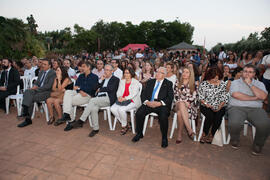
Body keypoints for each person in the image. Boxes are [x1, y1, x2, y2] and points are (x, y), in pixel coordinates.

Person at [64, 64, 119, 137]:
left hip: (108, 98)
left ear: (112, 71)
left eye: (108, 70)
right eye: (105, 69)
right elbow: (94, 88)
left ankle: (81, 120)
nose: (105, 71)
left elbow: (111, 89)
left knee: (92, 100)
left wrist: (100, 89)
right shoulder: (103, 79)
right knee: (93, 108)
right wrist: (100, 80)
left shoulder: (115, 79)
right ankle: (95, 129)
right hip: (98, 98)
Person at [228, 64, 270, 155]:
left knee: (265, 124)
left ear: (254, 74)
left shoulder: (260, 84)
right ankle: (235, 139)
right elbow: (236, 95)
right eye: (245, 71)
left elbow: (263, 96)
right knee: (235, 123)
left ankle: (258, 145)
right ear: (242, 72)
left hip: (255, 109)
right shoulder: (235, 82)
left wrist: (250, 84)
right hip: (237, 107)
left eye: (250, 72)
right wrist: (254, 98)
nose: (247, 74)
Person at [131, 67, 174, 148]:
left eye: (160, 72)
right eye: (157, 72)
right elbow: (143, 94)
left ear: (164, 75)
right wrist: (147, 102)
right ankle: (139, 133)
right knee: (139, 113)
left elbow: (170, 97)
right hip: (149, 102)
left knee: (163, 116)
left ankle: (164, 138)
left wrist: (160, 103)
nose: (157, 74)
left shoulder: (168, 83)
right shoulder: (150, 82)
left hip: (161, 104)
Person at [54, 61, 98, 126]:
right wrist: (80, 90)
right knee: (68, 91)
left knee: (68, 101)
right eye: (81, 66)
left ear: (89, 67)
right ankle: (67, 115)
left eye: (84, 67)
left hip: (88, 95)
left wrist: (80, 89)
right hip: (79, 93)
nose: (82, 68)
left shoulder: (94, 77)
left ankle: (70, 119)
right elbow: (75, 86)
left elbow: (91, 88)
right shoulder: (81, 76)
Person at [17, 59, 56, 127]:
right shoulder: (41, 72)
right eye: (42, 64)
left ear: (49, 66)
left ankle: (26, 117)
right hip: (38, 90)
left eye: (45, 64)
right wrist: (35, 86)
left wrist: (37, 89)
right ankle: (26, 112)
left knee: (30, 98)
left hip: (47, 92)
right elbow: (37, 82)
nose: (42, 65)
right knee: (27, 91)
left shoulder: (52, 73)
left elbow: (48, 86)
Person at [198, 66, 229, 143]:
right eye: (214, 78)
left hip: (220, 105)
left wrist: (219, 107)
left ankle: (212, 134)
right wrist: (206, 104)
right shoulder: (204, 84)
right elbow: (200, 97)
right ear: (209, 76)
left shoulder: (222, 84)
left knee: (218, 116)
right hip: (206, 105)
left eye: (217, 78)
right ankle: (205, 133)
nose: (215, 80)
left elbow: (225, 97)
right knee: (210, 116)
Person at [111, 67, 142, 135]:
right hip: (122, 99)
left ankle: (124, 126)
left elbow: (134, 93)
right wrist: (119, 97)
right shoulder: (122, 81)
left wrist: (125, 98)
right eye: (125, 73)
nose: (126, 74)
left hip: (133, 100)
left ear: (131, 73)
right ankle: (127, 124)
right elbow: (118, 91)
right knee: (112, 109)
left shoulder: (135, 82)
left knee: (121, 109)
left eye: (127, 73)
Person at [174, 67, 198, 143]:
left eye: (187, 72)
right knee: (181, 103)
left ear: (191, 74)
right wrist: (184, 101)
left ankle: (179, 134)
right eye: (184, 71)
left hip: (190, 107)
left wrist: (187, 102)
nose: (184, 73)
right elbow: (176, 96)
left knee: (179, 113)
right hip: (178, 104)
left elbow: (194, 97)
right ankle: (189, 130)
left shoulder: (194, 85)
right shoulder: (177, 83)